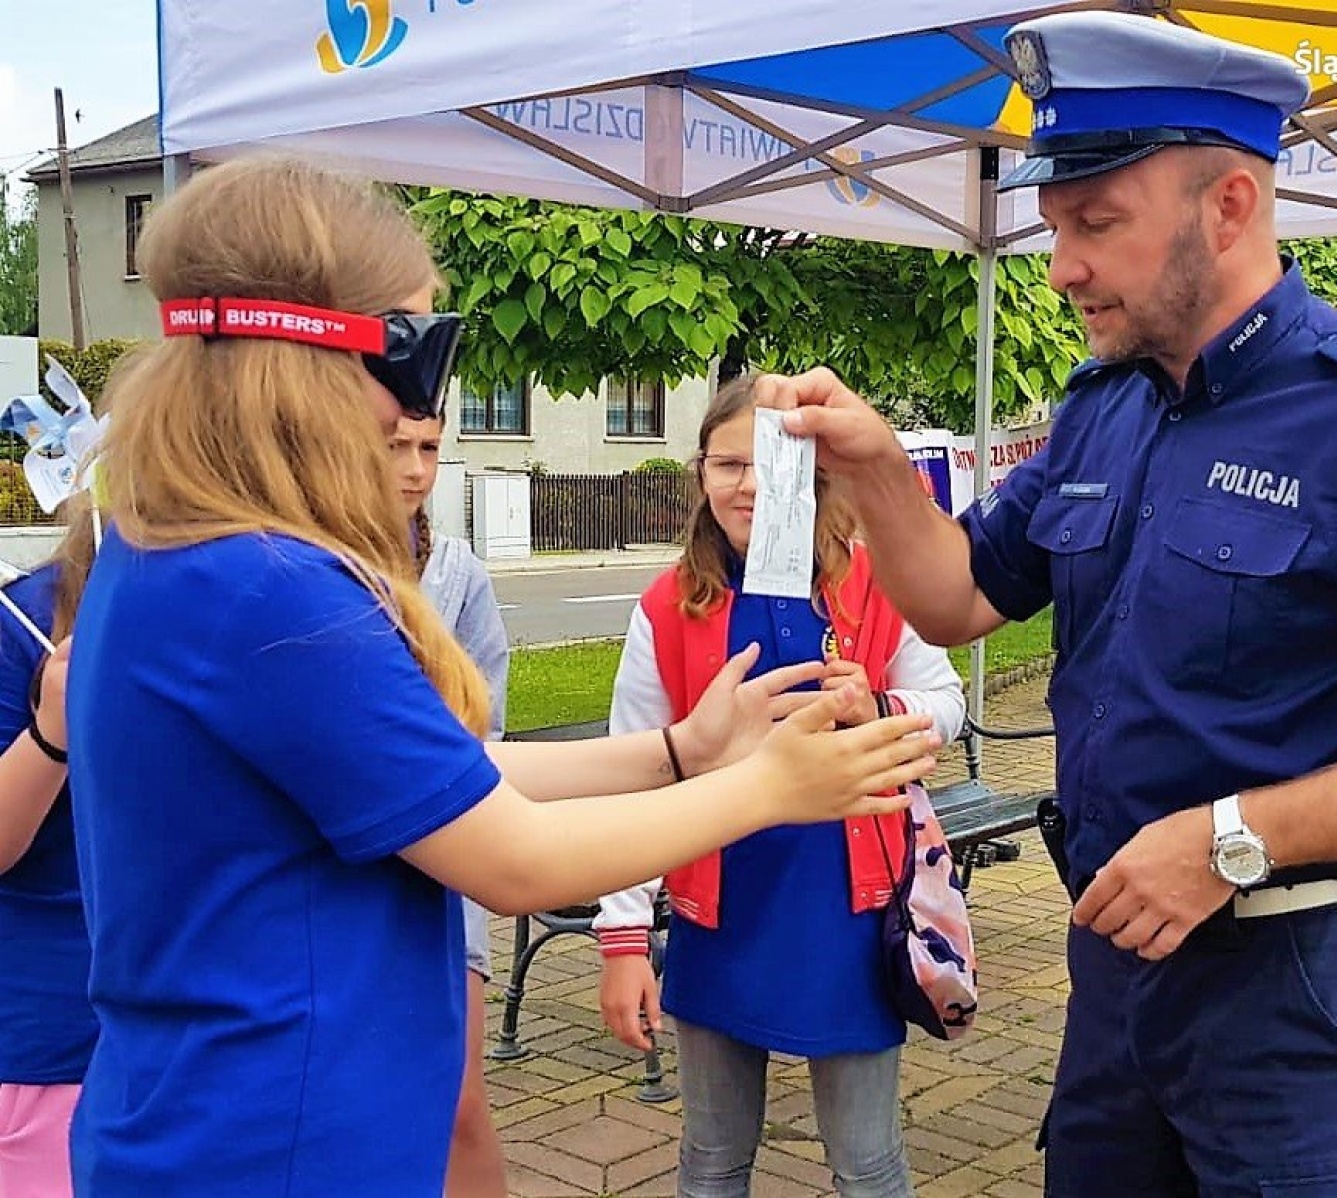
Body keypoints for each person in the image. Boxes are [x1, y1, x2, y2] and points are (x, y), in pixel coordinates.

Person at [752, 11, 1337, 1197]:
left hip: (1306, 996)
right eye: (1053, 226)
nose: (1060, 265)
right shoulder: (1108, 406)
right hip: (1118, 991)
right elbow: (956, 598)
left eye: (1096, 223)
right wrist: (878, 467)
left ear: (1230, 205)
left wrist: (1229, 838)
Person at [64, 155, 941, 1198]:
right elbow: (515, 860)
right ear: (324, 361)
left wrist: (679, 749)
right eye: (425, 350)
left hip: (211, 1119)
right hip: (285, 1141)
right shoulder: (269, 592)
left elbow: (443, 779)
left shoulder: (165, 550)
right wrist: (767, 788)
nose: (417, 416)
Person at [593, 376, 967, 1198]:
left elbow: (947, 704)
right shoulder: (667, 607)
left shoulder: (873, 582)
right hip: (717, 911)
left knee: (868, 1164)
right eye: (730, 463)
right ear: (700, 472)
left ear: (816, 471)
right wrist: (624, 940)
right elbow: (634, 773)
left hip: (850, 910)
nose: (753, 484)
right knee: (714, 1159)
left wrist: (878, 705)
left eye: (777, 460)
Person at [391, 411, 511, 1197]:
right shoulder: (300, 570)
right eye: (393, 444)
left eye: (429, 448)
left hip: (449, 849)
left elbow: (486, 735)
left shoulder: (456, 574)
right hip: (348, 871)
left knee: (460, 1099)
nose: (413, 468)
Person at [0, 500, 95, 1197]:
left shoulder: (252, 616)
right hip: (53, 1044)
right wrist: (52, 733)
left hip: (198, 1035)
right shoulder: (20, 623)